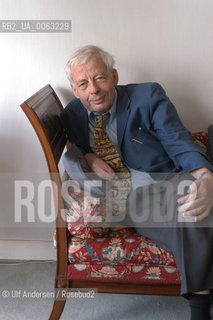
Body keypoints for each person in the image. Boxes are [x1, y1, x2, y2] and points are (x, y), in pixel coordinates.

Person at [60, 45, 213, 319]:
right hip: (130, 202)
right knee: (195, 214)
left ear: (114, 76)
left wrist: (204, 175)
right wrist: (90, 156)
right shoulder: (72, 115)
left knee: (195, 202)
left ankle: (200, 309)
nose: (93, 89)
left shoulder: (148, 96)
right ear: (75, 90)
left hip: (165, 184)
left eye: (99, 78)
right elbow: (73, 148)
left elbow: (179, 141)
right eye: (83, 83)